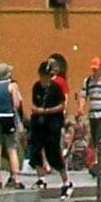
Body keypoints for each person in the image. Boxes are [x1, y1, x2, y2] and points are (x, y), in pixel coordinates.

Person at [28, 57, 70, 194]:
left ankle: (66, 181)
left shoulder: (56, 88)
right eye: (43, 76)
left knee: (53, 152)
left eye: (47, 76)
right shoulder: (36, 87)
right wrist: (36, 110)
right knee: (36, 150)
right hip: (39, 123)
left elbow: (61, 105)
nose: (45, 79)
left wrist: (47, 111)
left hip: (52, 123)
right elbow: (34, 103)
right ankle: (41, 178)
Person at [0, 63, 24, 187]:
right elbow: (16, 103)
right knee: (12, 149)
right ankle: (16, 178)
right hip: (8, 117)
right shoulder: (12, 86)